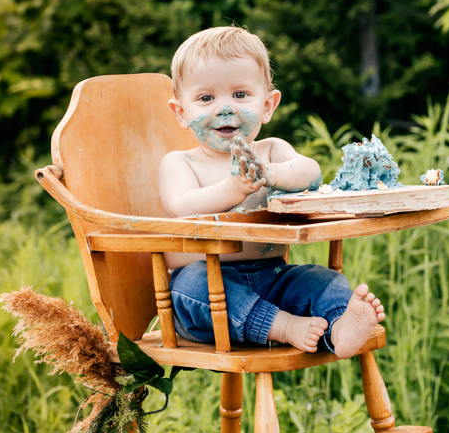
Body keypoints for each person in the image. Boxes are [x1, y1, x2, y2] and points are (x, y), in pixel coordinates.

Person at [158, 26, 385, 358]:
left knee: (318, 278)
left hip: (273, 277)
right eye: (206, 98)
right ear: (182, 112)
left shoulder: (269, 151)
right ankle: (282, 327)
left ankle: (339, 328)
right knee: (193, 287)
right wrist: (233, 188)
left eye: (240, 95)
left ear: (267, 105)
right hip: (210, 290)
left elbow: (311, 173)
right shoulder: (179, 163)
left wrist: (274, 173)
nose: (225, 108)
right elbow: (183, 207)